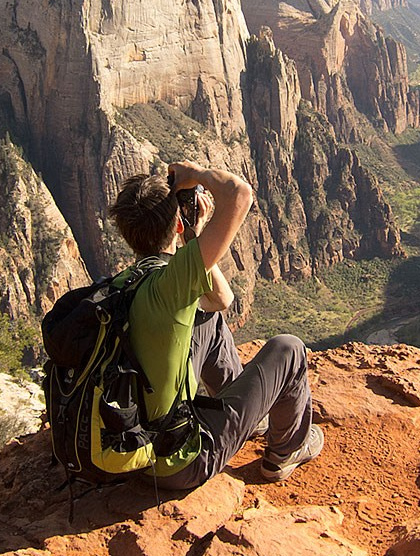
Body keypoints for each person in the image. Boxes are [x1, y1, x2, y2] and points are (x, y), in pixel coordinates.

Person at [107, 161, 323, 488]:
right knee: (289, 349)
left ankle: (251, 420)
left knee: (206, 316)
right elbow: (240, 193)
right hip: (179, 462)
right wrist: (195, 175)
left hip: (134, 447)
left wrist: (194, 234)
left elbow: (221, 301)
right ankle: (285, 453)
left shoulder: (126, 283)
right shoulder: (172, 285)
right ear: (177, 227)